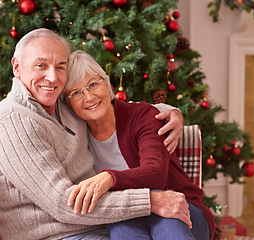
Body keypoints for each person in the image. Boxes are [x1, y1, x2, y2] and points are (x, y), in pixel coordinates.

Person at [0, 28, 190, 240]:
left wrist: (170, 112)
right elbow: (63, 204)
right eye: (40, 65)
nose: (52, 77)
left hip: (97, 224)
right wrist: (151, 201)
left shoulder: (62, 106)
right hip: (60, 234)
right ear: (17, 66)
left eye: (60, 67)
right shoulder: (12, 120)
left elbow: (115, 109)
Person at [63, 50, 215, 240]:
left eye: (93, 84)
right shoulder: (74, 138)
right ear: (67, 104)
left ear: (107, 83)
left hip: (180, 207)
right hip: (125, 214)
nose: (89, 97)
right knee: (121, 224)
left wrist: (108, 179)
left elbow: (155, 174)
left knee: (167, 222)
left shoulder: (143, 116)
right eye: (76, 93)